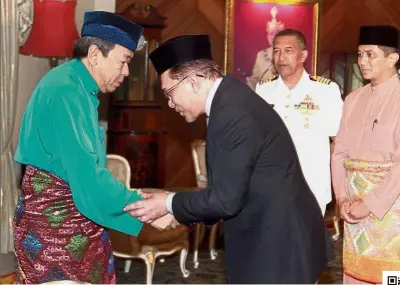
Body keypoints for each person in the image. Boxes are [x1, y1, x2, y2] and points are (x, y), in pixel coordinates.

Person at [123, 34, 334, 284]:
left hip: (278, 246)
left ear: (192, 81)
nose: (170, 104)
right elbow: (229, 192)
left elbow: (226, 200)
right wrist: (176, 211)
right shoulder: (229, 99)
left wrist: (169, 203)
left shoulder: (232, 113)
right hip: (271, 236)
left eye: (170, 93)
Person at [13, 11, 148, 284]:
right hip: (57, 233)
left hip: (68, 225)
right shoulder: (66, 93)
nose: (126, 72)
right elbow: (88, 179)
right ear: (96, 55)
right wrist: (142, 207)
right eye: (124, 61)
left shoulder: (72, 84)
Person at [331, 25, 400, 284]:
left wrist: (369, 204)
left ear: (392, 58)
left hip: (396, 209)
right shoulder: (352, 100)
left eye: (370, 54)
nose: (362, 61)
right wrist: (342, 198)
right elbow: (339, 152)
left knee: (397, 278)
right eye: (360, 54)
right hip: (354, 207)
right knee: (355, 274)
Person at [255, 28, 343, 216]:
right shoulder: (263, 89)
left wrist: (341, 188)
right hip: (271, 186)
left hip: (310, 186)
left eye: (288, 50)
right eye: (277, 51)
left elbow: (339, 143)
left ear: (303, 55)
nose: (281, 57)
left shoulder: (325, 91)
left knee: (306, 244)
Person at [245, 6, 283, 90]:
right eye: (271, 34)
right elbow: (256, 78)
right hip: (264, 96)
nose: (273, 37)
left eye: (276, 33)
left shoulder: (289, 54)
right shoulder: (261, 55)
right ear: (267, 36)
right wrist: (249, 82)